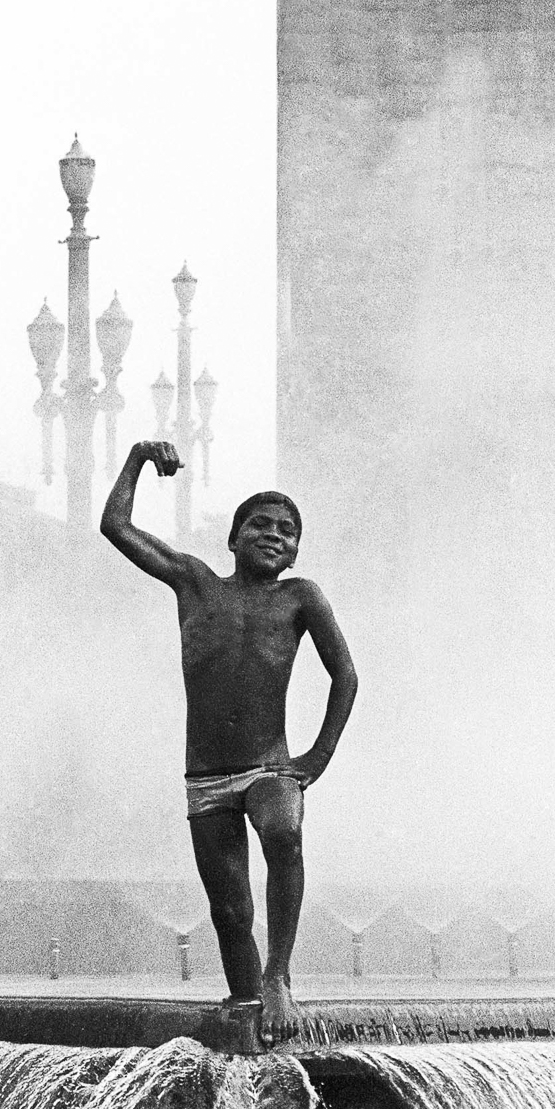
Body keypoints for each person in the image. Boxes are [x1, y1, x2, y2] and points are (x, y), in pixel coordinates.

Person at [101, 439, 358, 1045]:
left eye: (289, 530)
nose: (276, 535)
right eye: (261, 524)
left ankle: (278, 977)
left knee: (283, 831)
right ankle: (247, 1006)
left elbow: (344, 675)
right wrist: (138, 457)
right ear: (234, 538)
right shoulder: (195, 583)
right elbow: (115, 525)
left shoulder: (301, 597)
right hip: (207, 777)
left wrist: (316, 759)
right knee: (229, 910)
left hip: (271, 767)